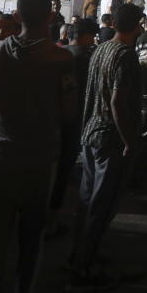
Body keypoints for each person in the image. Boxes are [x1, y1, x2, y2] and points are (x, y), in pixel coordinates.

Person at [0, 0, 75, 293]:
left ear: (16, 16)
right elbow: (69, 113)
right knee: (30, 248)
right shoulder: (62, 61)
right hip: (36, 164)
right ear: (50, 17)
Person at [69, 3, 143, 291]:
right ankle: (83, 271)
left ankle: (80, 257)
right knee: (101, 207)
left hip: (90, 134)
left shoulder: (100, 49)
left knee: (87, 203)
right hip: (109, 140)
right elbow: (117, 102)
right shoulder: (125, 55)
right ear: (137, 25)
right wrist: (129, 141)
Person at [49, 18, 99, 237]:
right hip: (71, 122)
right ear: (86, 36)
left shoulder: (56, 53)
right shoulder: (83, 59)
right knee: (61, 172)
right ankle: (51, 221)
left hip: (49, 120)